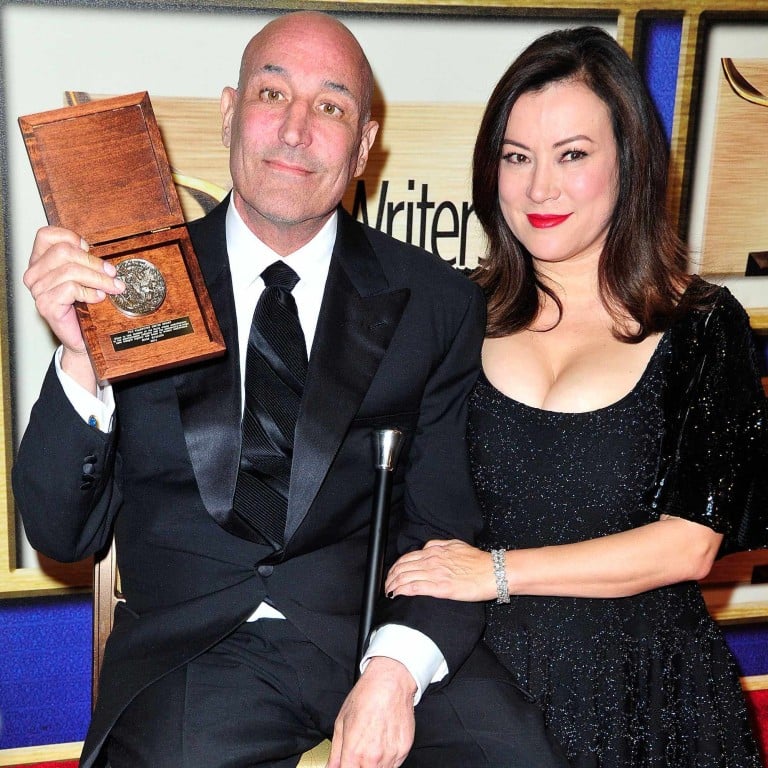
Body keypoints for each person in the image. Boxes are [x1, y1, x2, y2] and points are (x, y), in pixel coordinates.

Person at [12, 11, 569, 768]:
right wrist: (82, 357)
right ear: (229, 112)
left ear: (364, 145)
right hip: (196, 652)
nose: (296, 130)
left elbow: (441, 526)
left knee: (517, 756)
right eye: (272, 94)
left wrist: (396, 668)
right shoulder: (131, 284)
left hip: (372, 633)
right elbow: (60, 535)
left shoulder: (435, 302)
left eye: (331, 106)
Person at [385, 26, 768, 767]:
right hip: (479, 697)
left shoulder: (700, 324)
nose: (540, 189)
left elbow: (690, 545)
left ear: (630, 162)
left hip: (649, 701)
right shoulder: (453, 312)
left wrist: (495, 571)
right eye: (516, 157)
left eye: (572, 155)